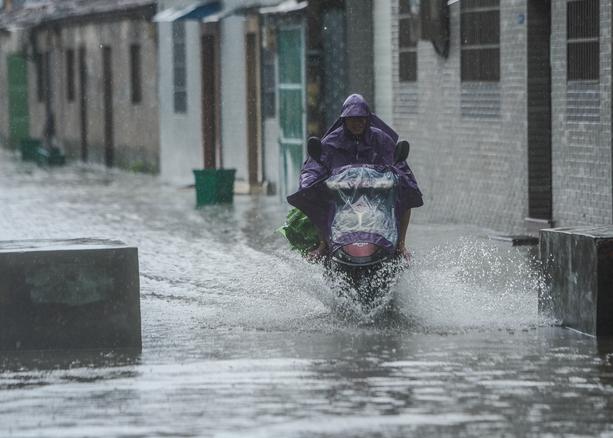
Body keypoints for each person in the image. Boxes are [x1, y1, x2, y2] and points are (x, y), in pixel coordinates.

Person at [288, 93, 423, 259]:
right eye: (352, 119)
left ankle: (400, 245)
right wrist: (309, 181)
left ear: (367, 119)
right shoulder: (331, 142)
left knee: (405, 196)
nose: (357, 123)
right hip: (340, 200)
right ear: (344, 120)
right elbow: (314, 165)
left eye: (361, 119)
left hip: (378, 199)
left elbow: (398, 164)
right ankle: (324, 244)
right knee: (317, 198)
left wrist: (402, 177)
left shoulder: (381, 139)